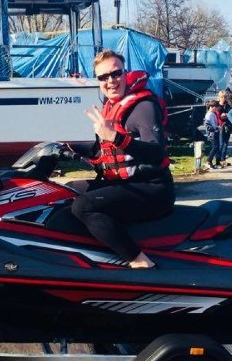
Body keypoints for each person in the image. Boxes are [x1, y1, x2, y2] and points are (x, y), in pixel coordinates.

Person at [69, 49, 174, 269]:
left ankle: (140, 261)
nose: (111, 81)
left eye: (116, 74)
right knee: (68, 189)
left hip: (153, 189)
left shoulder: (143, 106)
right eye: (103, 77)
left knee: (83, 206)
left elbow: (156, 153)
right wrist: (65, 145)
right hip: (123, 184)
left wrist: (116, 138)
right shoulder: (110, 107)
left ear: (125, 73)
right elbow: (103, 152)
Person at [203, 100, 223, 169]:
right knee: (215, 147)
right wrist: (214, 129)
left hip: (216, 132)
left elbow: (213, 124)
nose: (216, 109)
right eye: (215, 107)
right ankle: (208, 160)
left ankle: (215, 162)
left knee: (217, 147)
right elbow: (207, 125)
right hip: (212, 134)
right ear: (211, 107)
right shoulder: (209, 114)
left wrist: (217, 127)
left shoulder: (213, 114)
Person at [216, 90, 232, 165]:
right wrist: (224, 115)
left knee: (226, 143)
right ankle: (218, 160)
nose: (223, 98)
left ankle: (223, 159)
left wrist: (225, 115)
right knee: (221, 143)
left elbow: (230, 114)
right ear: (219, 97)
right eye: (222, 97)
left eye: (225, 97)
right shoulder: (216, 106)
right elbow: (218, 117)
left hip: (227, 126)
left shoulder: (228, 105)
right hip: (220, 126)